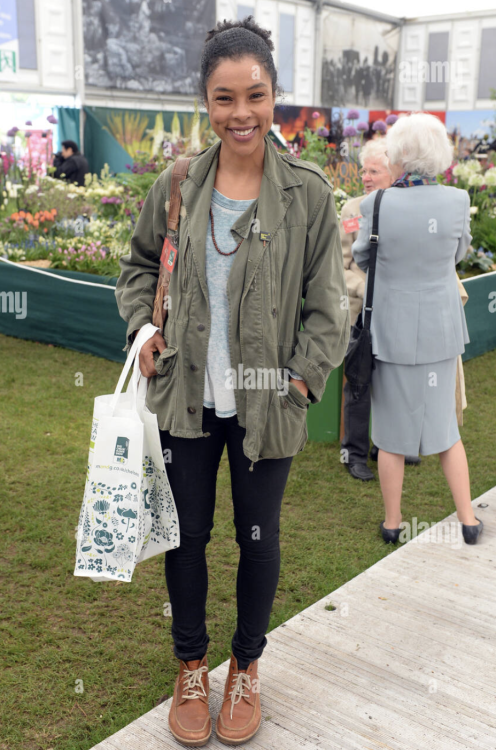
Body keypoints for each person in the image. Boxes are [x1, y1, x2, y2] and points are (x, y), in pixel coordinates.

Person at [115, 15, 349, 747]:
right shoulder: (179, 182)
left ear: (274, 95)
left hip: (266, 408)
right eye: (224, 98)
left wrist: (299, 387)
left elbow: (330, 309)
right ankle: (191, 666)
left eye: (254, 95)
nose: (240, 113)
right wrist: (145, 330)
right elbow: (137, 267)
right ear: (205, 103)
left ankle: (245, 665)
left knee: (259, 539)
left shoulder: (308, 195)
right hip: (185, 400)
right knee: (186, 537)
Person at [352, 112, 483, 547]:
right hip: (442, 330)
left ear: (399, 154)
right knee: (447, 429)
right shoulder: (459, 200)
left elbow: (362, 259)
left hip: (392, 331)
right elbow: (458, 254)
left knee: (389, 436)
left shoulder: (376, 203)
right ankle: (468, 520)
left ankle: (393, 524)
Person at [340, 139, 420, 480]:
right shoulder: (352, 210)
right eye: (364, 170)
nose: (366, 177)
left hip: (400, 312)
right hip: (363, 315)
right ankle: (353, 453)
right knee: (358, 383)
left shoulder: (414, 209)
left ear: (395, 172)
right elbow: (339, 269)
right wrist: (367, 288)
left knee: (396, 383)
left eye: (375, 170)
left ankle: (387, 446)